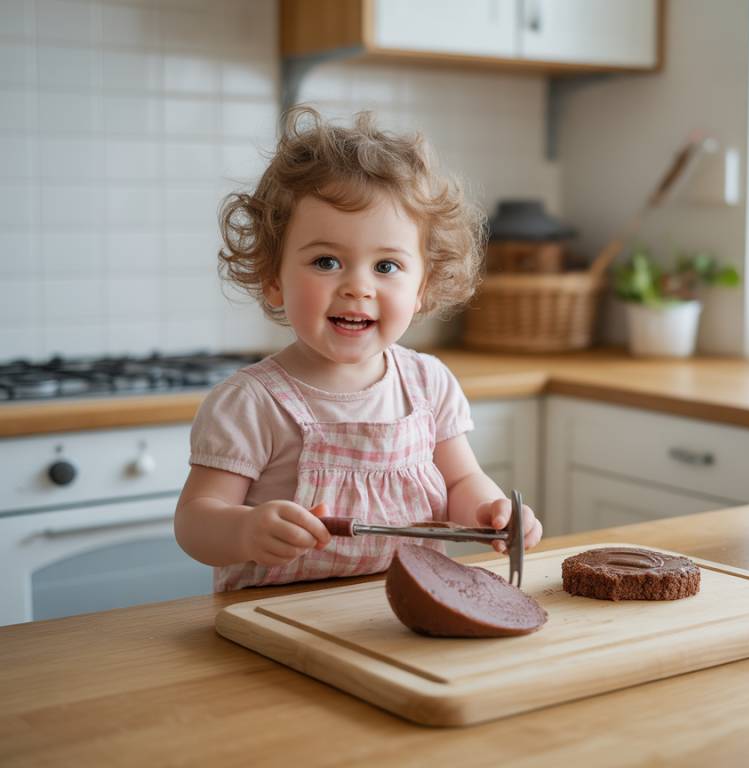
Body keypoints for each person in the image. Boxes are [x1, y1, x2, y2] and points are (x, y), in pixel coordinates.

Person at [174, 107, 542, 591]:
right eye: (326, 261)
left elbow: (460, 483)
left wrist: (491, 512)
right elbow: (194, 522)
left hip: (401, 611)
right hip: (272, 618)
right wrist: (244, 531)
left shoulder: (427, 384)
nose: (358, 287)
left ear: (422, 287)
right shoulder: (250, 403)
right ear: (273, 279)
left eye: (386, 267)